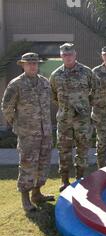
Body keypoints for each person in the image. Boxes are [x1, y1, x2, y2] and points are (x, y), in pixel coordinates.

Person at [1, 53, 54, 211]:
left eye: (35, 63)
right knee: (27, 164)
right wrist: (17, 125)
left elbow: (48, 104)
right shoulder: (16, 84)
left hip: (45, 132)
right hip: (27, 134)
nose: (32, 66)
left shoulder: (44, 83)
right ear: (23, 65)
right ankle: (25, 198)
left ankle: (37, 194)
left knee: (43, 163)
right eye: (29, 63)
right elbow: (7, 107)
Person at [50, 43, 97, 191]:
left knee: (82, 149)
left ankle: (80, 179)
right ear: (61, 56)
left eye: (70, 54)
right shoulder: (55, 75)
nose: (68, 57)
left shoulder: (86, 72)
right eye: (65, 54)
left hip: (82, 120)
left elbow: (96, 89)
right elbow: (53, 95)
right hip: (64, 120)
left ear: (75, 55)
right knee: (64, 150)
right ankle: (64, 181)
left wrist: (85, 105)